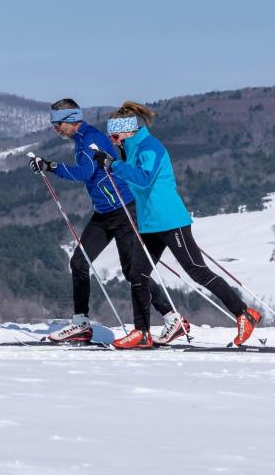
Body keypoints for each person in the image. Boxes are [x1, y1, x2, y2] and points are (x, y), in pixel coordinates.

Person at [100, 101, 262, 348]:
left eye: (114, 135)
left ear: (128, 131)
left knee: (197, 271)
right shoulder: (130, 150)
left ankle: (244, 313)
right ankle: (142, 332)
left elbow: (144, 180)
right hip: (150, 224)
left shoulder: (149, 147)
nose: (112, 140)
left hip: (170, 221)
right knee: (137, 274)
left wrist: (115, 165)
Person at [30, 98, 173, 347]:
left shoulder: (89, 140)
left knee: (132, 271)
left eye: (57, 123)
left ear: (72, 120)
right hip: (104, 212)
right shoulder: (81, 138)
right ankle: (81, 324)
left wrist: (51, 166)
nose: (55, 128)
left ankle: (172, 318)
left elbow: (85, 172)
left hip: (123, 209)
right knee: (78, 262)